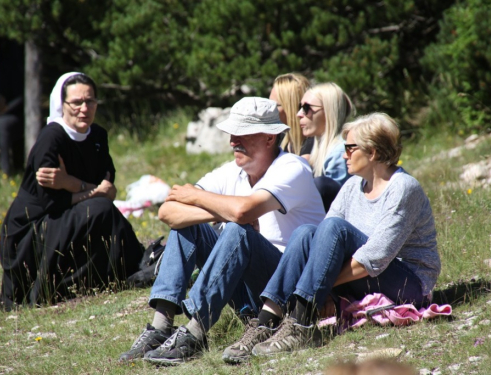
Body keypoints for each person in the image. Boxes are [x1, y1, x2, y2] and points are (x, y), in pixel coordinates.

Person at [118, 97, 325, 365]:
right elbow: (167, 212)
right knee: (190, 224)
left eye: (242, 134)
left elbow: (242, 213)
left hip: (283, 295)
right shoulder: (232, 172)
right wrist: (221, 211)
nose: (232, 142)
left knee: (238, 231)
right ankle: (161, 327)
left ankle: (194, 333)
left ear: (269, 138)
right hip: (245, 291)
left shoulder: (292, 168)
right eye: (231, 133)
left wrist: (203, 200)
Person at [235, 112, 440, 357]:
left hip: (408, 283)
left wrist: (318, 286)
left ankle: (301, 325)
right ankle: (265, 322)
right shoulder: (352, 185)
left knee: (334, 228)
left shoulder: (403, 188)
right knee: (305, 233)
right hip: (366, 276)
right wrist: (317, 284)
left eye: (350, 148)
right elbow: (323, 238)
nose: (344, 154)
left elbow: (374, 258)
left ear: (372, 152)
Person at [0, 72, 143, 311]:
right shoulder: (51, 139)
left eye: (90, 101)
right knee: (100, 208)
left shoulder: (98, 136)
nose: (84, 108)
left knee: (100, 209)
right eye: (76, 102)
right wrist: (91, 191)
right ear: (62, 104)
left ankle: (128, 267)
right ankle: (132, 265)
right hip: (32, 230)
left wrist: (71, 184)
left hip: (68, 215)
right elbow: (52, 203)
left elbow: (108, 186)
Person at [299, 82, 354, 211]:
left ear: (328, 112)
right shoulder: (324, 148)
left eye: (307, 108)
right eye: (300, 107)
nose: (299, 114)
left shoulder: (340, 152)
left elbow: (342, 207)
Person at [269, 73, 313, 159]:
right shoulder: (280, 140)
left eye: (274, 105)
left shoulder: (313, 145)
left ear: (291, 109)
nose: (268, 110)